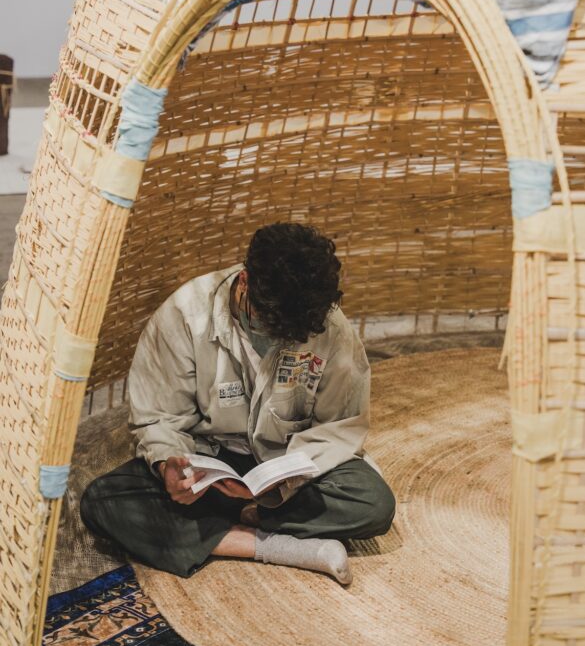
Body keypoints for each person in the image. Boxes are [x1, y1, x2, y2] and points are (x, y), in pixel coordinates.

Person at [80, 222, 395, 586]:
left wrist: (280, 485)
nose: (280, 337)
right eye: (270, 323)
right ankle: (278, 546)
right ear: (244, 281)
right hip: (210, 469)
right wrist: (170, 465)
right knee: (104, 501)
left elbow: (341, 425)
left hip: (286, 468)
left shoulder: (328, 325)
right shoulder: (184, 316)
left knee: (373, 504)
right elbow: (160, 418)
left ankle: (240, 524)